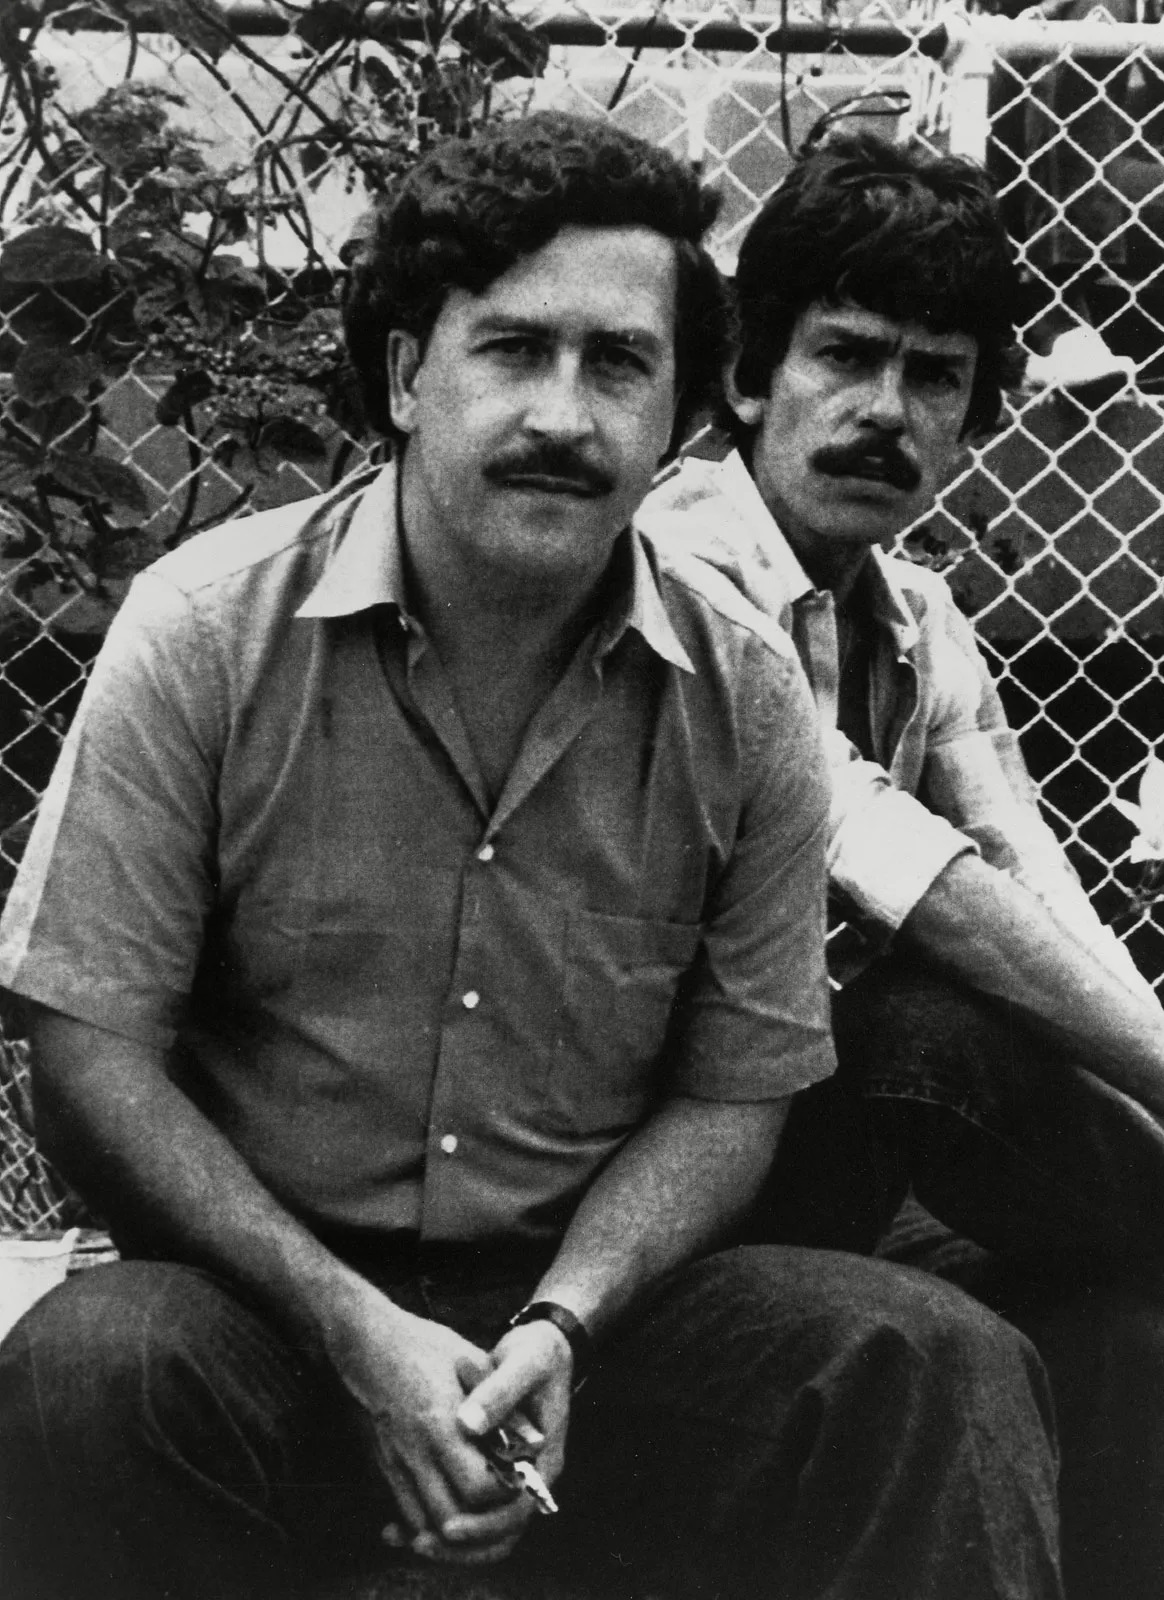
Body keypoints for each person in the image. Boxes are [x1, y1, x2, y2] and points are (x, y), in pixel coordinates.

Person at [0, 112, 1063, 1600]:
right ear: (405, 376)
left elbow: (731, 1100)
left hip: (592, 1321)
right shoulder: (205, 632)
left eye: (619, 363)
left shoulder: (745, 694)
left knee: (924, 1358)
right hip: (264, 1301)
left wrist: (563, 1323)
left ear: (683, 411)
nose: (564, 415)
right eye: (511, 349)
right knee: (90, 1367)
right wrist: (352, 1329)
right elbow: (88, 1059)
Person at [639, 127, 1164, 1600]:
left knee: (1122, 1336)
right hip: (652, 1159)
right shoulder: (679, 565)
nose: (887, 412)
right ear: (750, 376)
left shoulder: (916, 616)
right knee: (927, 1030)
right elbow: (903, 869)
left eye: (936, 377)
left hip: (818, 1153)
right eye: (845, 357)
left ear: (976, 414)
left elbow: (1029, 871)